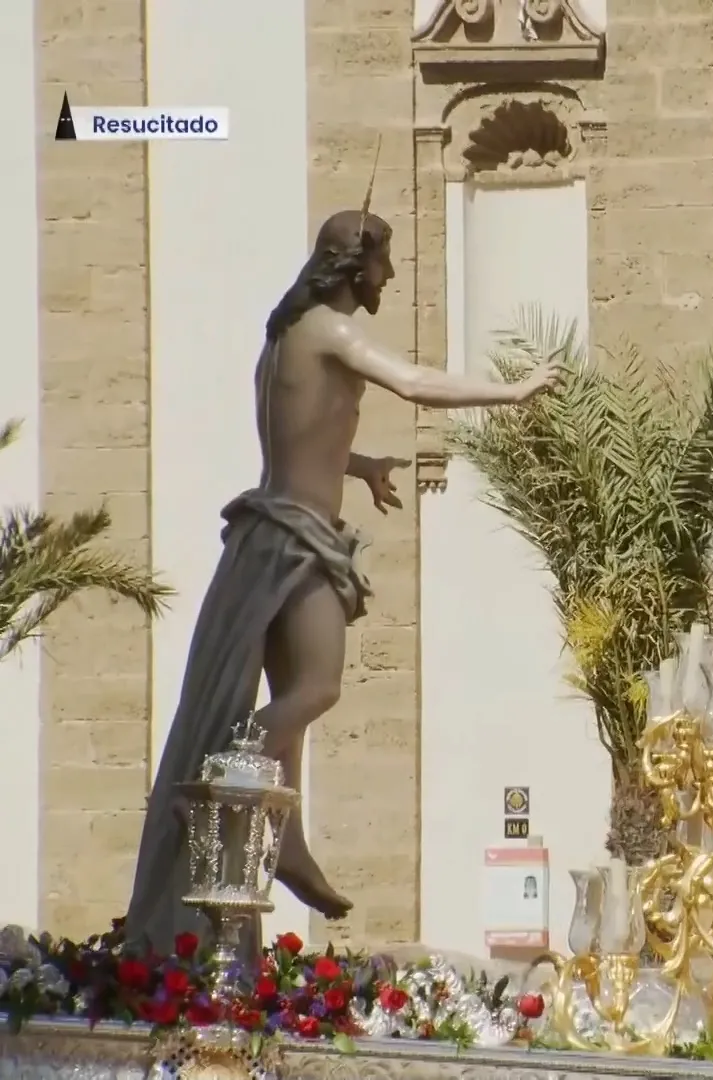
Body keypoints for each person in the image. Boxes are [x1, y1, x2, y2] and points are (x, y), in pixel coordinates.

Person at [121, 198, 560, 949]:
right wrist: (511, 392)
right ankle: (230, 776)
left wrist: (359, 466)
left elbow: (297, 433)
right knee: (319, 687)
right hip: (298, 539)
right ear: (355, 265)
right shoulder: (332, 329)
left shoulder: (284, 335)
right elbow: (414, 382)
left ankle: (281, 834)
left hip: (273, 532)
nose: (390, 276)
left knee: (297, 693)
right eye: (384, 263)